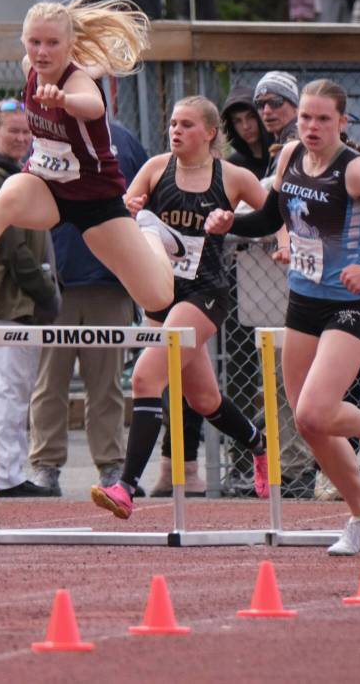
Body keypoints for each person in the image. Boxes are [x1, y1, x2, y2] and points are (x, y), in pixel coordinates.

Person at [207, 78, 360, 556]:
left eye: (323, 118)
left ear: (343, 122)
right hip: (302, 301)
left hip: (349, 304)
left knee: (312, 411)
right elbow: (268, 219)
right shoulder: (287, 158)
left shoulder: (358, 171)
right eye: (305, 117)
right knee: (307, 425)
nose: (312, 126)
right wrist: (229, 223)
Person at [0, 0, 181, 329]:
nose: (41, 52)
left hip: (96, 200)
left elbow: (94, 106)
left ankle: (151, 233)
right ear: (23, 42)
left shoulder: (77, 82)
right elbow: (54, 62)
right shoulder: (30, 68)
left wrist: (65, 100)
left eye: (52, 43)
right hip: (47, 186)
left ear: (70, 44)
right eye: (34, 42)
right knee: (7, 195)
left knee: (156, 297)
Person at [91, 95, 269, 518]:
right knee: (205, 400)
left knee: (146, 377)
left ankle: (126, 487)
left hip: (204, 294)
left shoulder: (233, 176)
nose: (176, 131)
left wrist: (279, 243)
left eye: (187, 124)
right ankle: (260, 444)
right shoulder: (155, 169)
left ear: (209, 133)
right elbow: (122, 212)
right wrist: (130, 209)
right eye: (172, 123)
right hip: (160, 291)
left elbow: (273, 216)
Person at [27, 119, 144, 495]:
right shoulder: (48, 134)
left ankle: (111, 465)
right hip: (59, 281)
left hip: (109, 283)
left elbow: (142, 198)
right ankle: (46, 465)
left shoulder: (122, 139)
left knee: (105, 382)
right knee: (50, 380)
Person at [0, 100, 61, 498]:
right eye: (13, 131)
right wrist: (43, 292)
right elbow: (10, 246)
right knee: (7, 387)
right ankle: (4, 476)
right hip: (7, 300)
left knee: (16, 387)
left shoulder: (23, 174)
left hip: (21, 300)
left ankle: (8, 470)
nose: (21, 138)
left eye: (26, 132)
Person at [221, 85, 273, 180]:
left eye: (251, 117)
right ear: (231, 126)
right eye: (237, 121)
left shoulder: (280, 156)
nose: (246, 126)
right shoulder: (233, 166)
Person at [254, 70, 300, 152]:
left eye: (275, 102)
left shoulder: (301, 145)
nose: (266, 111)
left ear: (295, 106)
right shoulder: (281, 143)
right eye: (260, 104)